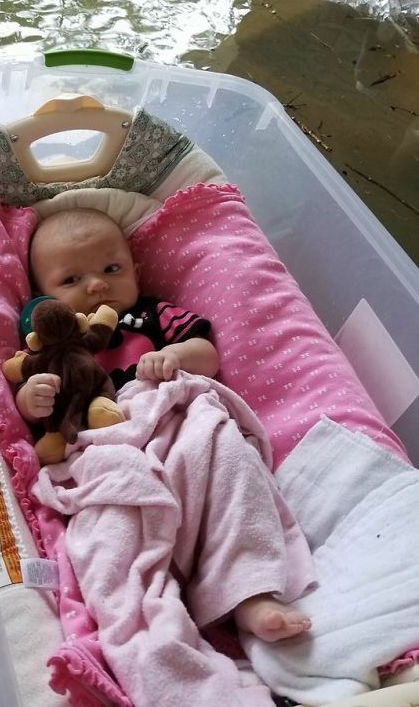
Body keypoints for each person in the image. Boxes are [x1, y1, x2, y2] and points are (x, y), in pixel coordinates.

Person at [16, 206, 312, 644]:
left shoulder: (153, 315)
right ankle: (153, 626)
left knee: (229, 463)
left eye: (111, 269)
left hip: (174, 420)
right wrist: (32, 397)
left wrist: (174, 357)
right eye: (71, 280)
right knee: (111, 530)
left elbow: (207, 356)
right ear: (43, 298)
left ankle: (250, 590)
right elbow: (30, 413)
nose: (97, 284)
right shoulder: (55, 347)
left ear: (136, 271)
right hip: (106, 451)